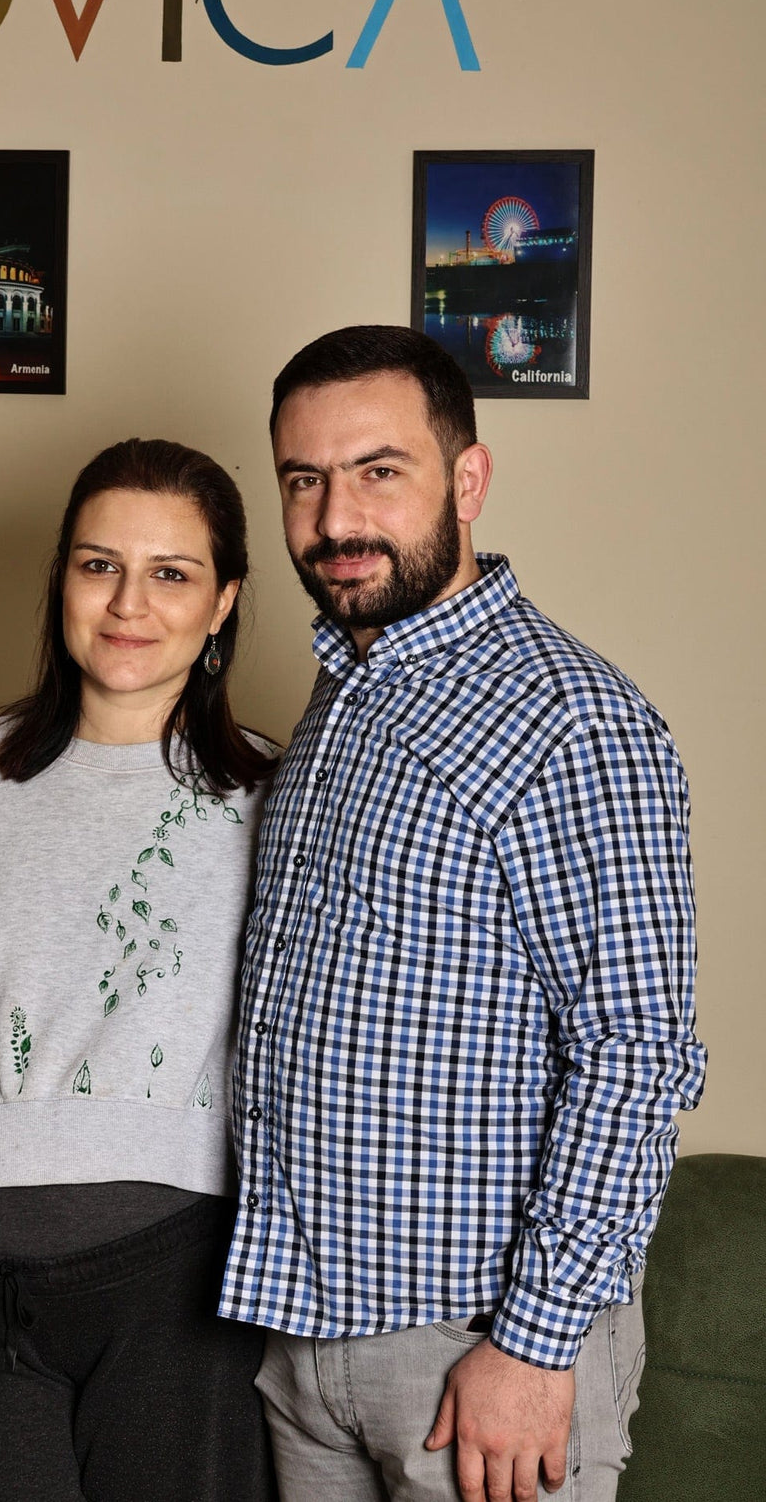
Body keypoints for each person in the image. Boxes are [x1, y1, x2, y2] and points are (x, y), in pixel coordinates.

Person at [219, 326, 706, 1502]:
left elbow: (636, 1056)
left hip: (479, 1354)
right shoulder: (343, 698)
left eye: (380, 470)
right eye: (303, 480)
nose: (338, 518)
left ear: (468, 479)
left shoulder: (571, 722)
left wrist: (534, 1345)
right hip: (307, 1339)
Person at [0, 438, 279, 1502]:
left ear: (224, 604)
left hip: (180, 1300)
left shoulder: (272, 798)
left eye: (172, 573)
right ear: (62, 578)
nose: (129, 602)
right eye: (97, 563)